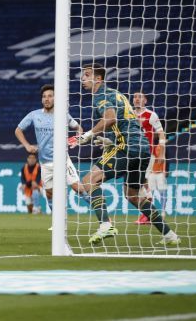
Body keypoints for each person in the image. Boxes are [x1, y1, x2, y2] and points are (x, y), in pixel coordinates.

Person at [70, 63, 178, 246]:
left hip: (126, 147)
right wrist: (108, 140)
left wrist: (90, 134)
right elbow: (127, 123)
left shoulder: (101, 96)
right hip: (143, 149)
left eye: (87, 75)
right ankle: (169, 235)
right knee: (133, 195)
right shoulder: (118, 94)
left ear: (98, 79)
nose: (82, 78)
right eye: (83, 75)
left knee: (89, 181)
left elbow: (110, 117)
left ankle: (105, 225)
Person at [15, 84, 86, 223]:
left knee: (77, 188)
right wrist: (27, 145)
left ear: (55, 98)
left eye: (50, 96)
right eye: (44, 97)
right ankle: (58, 224)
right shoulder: (34, 115)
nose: (46, 99)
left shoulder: (63, 114)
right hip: (45, 162)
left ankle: (103, 220)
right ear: (42, 100)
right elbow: (18, 130)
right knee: (48, 193)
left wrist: (76, 140)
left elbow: (79, 128)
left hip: (62, 160)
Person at [133, 91, 168, 224]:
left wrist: (162, 153)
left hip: (147, 153)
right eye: (135, 97)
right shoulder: (129, 114)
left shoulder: (151, 115)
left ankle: (147, 214)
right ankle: (149, 213)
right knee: (139, 183)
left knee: (143, 181)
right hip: (131, 153)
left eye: (140, 97)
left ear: (145, 100)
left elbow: (161, 134)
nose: (136, 99)